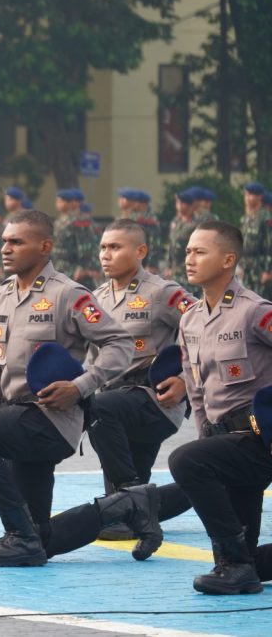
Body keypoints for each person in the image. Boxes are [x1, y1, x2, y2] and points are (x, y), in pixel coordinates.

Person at [0, 209, 134, 567]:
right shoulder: (0, 296)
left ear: (44, 246)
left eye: (17, 242)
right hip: (14, 419)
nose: (6, 248)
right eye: (5, 241)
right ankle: (127, 505)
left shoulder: (68, 294)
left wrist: (81, 386)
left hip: (50, 418)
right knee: (41, 538)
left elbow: (120, 344)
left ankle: (17, 534)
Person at [165, 220, 272, 594]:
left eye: (199, 251)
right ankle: (240, 564)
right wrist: (204, 438)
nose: (189, 258)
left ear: (228, 260)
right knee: (246, 561)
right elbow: (196, 389)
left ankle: (236, 564)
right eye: (188, 251)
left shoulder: (254, 311)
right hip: (223, 444)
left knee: (184, 461)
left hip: (259, 440)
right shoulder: (190, 319)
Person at [85, 220, 195, 537]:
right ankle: (203, 486)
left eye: (115, 247)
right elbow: (92, 360)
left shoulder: (162, 293)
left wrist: (186, 382)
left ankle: (131, 501)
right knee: (121, 506)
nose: (106, 254)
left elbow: (209, 329)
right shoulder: (97, 298)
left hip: (154, 402)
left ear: (140, 251)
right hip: (113, 408)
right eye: (103, 247)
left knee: (100, 408)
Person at [52, 188, 97, 289]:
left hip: (72, 268)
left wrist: (81, 267)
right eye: (57, 201)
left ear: (70, 203)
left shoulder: (78, 221)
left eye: (61, 201)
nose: (58, 204)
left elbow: (85, 246)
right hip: (59, 266)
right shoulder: (58, 221)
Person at [239, 181, 271, 298]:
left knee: (261, 300)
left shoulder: (265, 217)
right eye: (246, 194)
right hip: (247, 266)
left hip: (259, 266)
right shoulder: (246, 218)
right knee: (247, 300)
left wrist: (267, 271)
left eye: (250, 195)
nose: (247, 198)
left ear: (259, 197)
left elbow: (269, 245)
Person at [165, 188, 196, 287]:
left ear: (190, 206)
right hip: (173, 272)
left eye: (182, 203)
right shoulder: (176, 222)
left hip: (186, 272)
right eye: (177, 202)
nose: (178, 205)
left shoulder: (194, 225)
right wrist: (169, 267)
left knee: (187, 300)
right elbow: (170, 246)